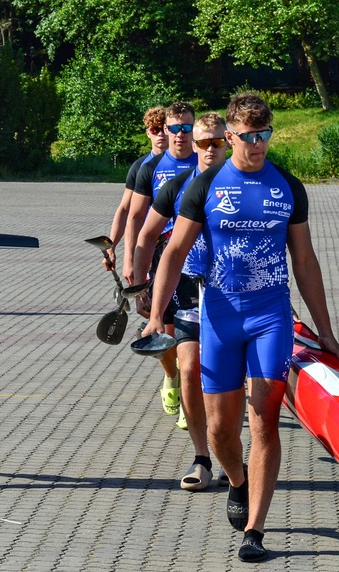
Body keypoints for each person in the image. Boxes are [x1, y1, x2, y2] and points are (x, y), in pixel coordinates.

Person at [143, 93, 339, 562]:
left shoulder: (288, 186)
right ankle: (237, 478)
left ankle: (255, 529)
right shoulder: (205, 185)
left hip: (270, 316)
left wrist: (325, 329)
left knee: (264, 420)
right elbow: (173, 253)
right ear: (229, 136)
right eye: (249, 137)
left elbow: (306, 261)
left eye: (265, 135)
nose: (258, 145)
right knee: (218, 431)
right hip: (220, 317)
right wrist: (157, 315)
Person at [133, 112, 228, 491]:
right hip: (188, 289)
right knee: (189, 370)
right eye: (202, 142)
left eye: (215, 141)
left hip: (234, 293)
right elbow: (145, 235)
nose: (207, 149)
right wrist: (141, 286)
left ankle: (229, 454)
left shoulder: (248, 185)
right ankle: (202, 457)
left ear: (229, 141)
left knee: (228, 381)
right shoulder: (177, 187)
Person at [123, 101, 198, 416]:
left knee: (191, 335)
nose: (180, 135)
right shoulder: (150, 168)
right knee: (164, 333)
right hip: (159, 256)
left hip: (194, 256)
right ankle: (171, 376)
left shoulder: (207, 163)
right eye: (174, 129)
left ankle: (190, 398)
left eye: (186, 128)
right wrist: (130, 262)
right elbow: (136, 217)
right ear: (165, 131)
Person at [102, 106, 168, 270]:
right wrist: (111, 246)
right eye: (155, 129)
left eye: (164, 129)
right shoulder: (140, 167)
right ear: (148, 133)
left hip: (178, 238)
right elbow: (125, 209)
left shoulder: (189, 164)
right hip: (150, 241)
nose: (160, 134)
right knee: (144, 292)